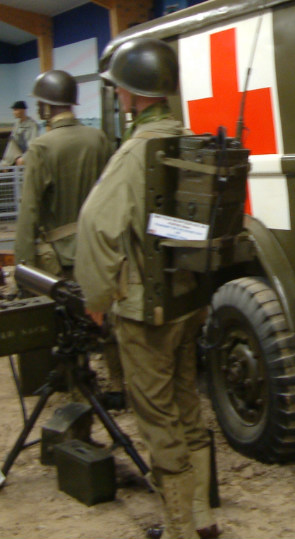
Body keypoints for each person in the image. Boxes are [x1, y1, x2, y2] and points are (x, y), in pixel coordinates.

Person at [75, 37, 218, 539]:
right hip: (188, 301)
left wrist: (96, 298)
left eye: (120, 90)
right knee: (186, 407)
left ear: (135, 96)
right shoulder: (191, 140)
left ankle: (178, 529)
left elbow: (96, 225)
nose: (117, 97)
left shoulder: (136, 152)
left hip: (146, 312)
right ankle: (202, 517)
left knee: (157, 419)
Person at [14, 70, 110, 276]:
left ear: (47, 106)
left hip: (62, 258)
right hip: (100, 250)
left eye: (40, 102)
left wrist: (23, 267)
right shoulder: (99, 138)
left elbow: (29, 210)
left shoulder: (42, 147)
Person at [0, 100, 39, 167]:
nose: (14, 112)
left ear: (23, 110)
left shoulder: (32, 125)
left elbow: (33, 145)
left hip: (29, 158)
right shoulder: (17, 124)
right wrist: (6, 162)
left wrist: (24, 158)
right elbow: (12, 144)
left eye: (16, 110)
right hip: (18, 157)